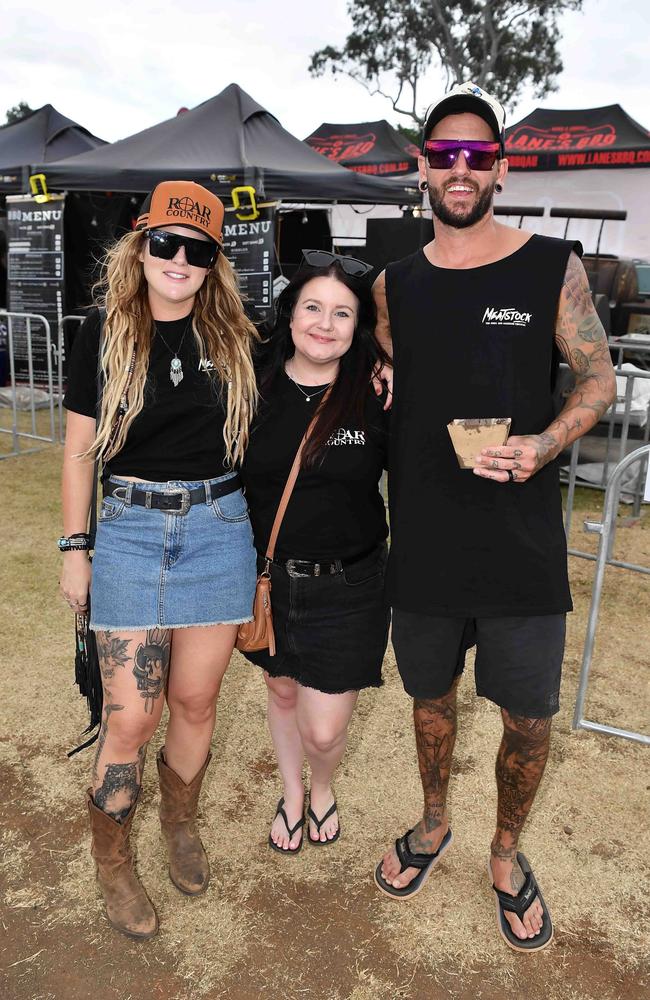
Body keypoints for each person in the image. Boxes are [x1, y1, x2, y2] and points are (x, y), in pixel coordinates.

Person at [371, 83, 617, 951]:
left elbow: (598, 377)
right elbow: (391, 369)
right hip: (428, 542)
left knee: (528, 719)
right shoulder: (393, 284)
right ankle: (433, 822)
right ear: (424, 169)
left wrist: (547, 443)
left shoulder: (555, 265)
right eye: (446, 155)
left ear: (503, 171)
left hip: (521, 545)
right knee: (430, 702)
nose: (461, 168)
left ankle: (507, 854)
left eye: (479, 155)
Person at [60, 180, 259, 940]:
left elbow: (316, 365)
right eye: (165, 243)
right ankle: (113, 862)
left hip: (218, 529)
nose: (178, 259)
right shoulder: (100, 331)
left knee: (196, 703)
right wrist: (75, 550)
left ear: (213, 262)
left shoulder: (237, 338)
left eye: (196, 249)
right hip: (131, 533)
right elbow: (79, 451)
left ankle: (180, 822)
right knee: (132, 714)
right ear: (141, 246)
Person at [241, 250, 391, 853]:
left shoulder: (378, 394)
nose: (324, 324)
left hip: (350, 586)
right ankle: (294, 795)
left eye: (342, 314)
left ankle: (322, 783)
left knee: (324, 729)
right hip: (269, 581)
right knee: (281, 690)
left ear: (359, 328)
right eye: (313, 307)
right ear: (291, 311)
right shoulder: (253, 383)